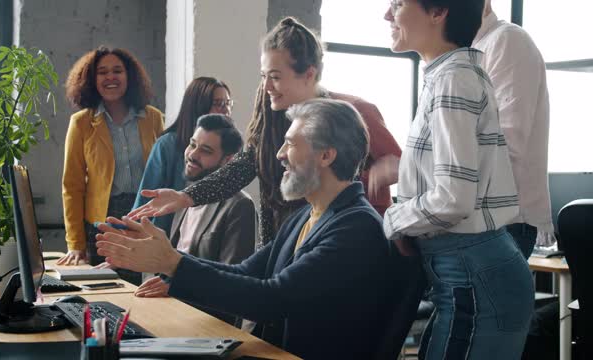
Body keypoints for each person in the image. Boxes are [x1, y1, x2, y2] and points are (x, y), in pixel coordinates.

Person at [96, 99, 406, 360]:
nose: (279, 154)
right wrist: (169, 262)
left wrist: (171, 263)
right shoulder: (307, 215)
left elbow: (272, 300)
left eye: (290, 143)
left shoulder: (356, 228)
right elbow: (248, 272)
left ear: (326, 155)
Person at [128, 17, 402, 247]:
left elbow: (404, 166)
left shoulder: (355, 111)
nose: (267, 86)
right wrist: (186, 196)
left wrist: (375, 174)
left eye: (275, 76)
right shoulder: (271, 113)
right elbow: (248, 164)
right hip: (286, 239)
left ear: (308, 74)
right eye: (263, 76)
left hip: (346, 240)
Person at [382, 0, 534, 359]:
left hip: (473, 274)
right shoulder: (448, 75)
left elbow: (453, 198)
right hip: (467, 271)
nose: (387, 14)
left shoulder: (453, 81)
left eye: (398, 4)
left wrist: (395, 220)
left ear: (439, 12)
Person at [136, 114, 256, 324]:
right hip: (166, 311)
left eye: (206, 151)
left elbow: (232, 284)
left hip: (207, 323)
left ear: (228, 161)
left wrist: (176, 288)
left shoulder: (239, 206)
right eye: (192, 145)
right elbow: (164, 264)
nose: (192, 154)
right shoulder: (183, 196)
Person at [58, 46, 164, 277]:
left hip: (145, 216)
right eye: (102, 72)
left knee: (144, 287)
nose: (110, 77)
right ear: (92, 80)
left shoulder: (153, 117)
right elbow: (72, 187)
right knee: (110, 289)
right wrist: (75, 242)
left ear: (129, 77)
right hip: (104, 221)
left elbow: (163, 171)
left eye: (118, 70)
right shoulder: (81, 123)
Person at [472, 0, 554, 258]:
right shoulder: (465, 52)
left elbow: (505, 145)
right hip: (478, 222)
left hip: (503, 224)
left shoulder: (505, 41)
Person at [132, 77, 233, 234]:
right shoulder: (167, 145)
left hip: (208, 236)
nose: (226, 110)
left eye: (228, 103)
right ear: (199, 106)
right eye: (218, 104)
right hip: (167, 239)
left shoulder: (227, 149)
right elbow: (145, 201)